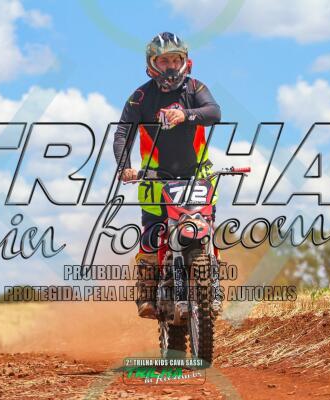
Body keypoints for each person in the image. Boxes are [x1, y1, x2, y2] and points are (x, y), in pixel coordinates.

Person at [113, 32, 221, 318]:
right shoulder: (141, 97)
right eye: (164, 61)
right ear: (152, 64)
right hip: (155, 180)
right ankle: (146, 293)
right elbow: (123, 132)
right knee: (152, 238)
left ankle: (213, 285)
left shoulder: (195, 88)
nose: (171, 66)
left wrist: (187, 114)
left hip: (196, 177)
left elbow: (214, 112)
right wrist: (124, 166)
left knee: (206, 231)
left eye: (175, 59)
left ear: (185, 61)